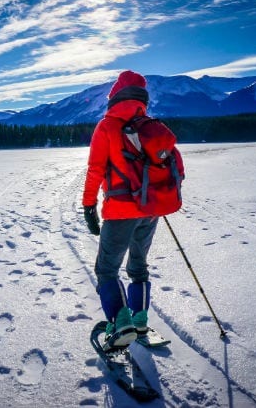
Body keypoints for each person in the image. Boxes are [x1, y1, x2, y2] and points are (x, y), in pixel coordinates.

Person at [82, 70, 158, 351]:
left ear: (115, 95)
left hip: (120, 210)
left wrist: (89, 205)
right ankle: (139, 320)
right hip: (150, 210)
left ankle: (120, 324)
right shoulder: (149, 125)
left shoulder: (107, 126)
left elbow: (95, 170)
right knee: (138, 266)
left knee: (106, 269)